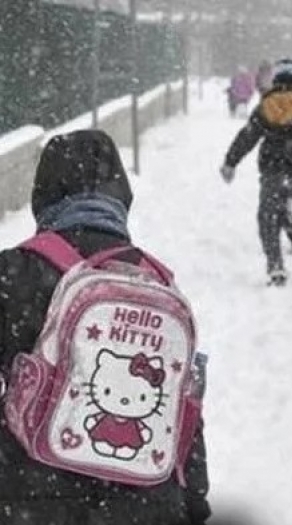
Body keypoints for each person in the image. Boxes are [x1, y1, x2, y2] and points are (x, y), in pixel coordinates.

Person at [0, 130, 211, 525]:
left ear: (43, 195)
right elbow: (186, 410)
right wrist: (193, 504)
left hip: (29, 494)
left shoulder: (15, 271)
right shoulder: (157, 283)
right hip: (141, 501)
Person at [221, 59, 292, 286]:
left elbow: (248, 136)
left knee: (268, 217)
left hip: (273, 170)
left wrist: (230, 162)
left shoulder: (266, 106)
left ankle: (275, 264)